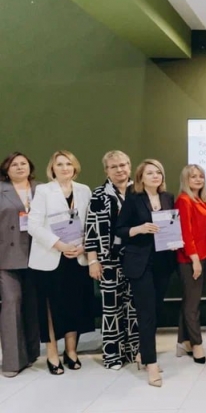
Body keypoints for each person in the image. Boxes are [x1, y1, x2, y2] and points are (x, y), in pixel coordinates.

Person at [28, 150, 94, 376]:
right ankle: (52, 353)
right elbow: (34, 225)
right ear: (52, 168)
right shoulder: (44, 191)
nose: (65, 168)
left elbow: (91, 224)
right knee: (50, 308)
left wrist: (83, 246)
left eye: (69, 164)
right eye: (60, 164)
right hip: (51, 258)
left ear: (75, 167)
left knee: (74, 304)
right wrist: (60, 245)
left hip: (78, 257)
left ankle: (71, 351)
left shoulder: (84, 190)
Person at [115, 159, 177, 387]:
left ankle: (143, 353)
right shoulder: (133, 199)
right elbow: (119, 229)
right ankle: (151, 363)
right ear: (141, 177)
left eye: (158, 172)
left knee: (156, 310)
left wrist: (174, 239)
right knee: (146, 313)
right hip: (140, 262)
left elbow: (172, 225)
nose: (155, 176)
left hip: (163, 261)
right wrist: (139, 229)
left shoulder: (168, 197)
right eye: (150, 173)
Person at [84, 150, 137, 370]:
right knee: (111, 309)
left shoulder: (140, 191)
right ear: (106, 171)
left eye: (123, 165)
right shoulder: (99, 195)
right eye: (114, 167)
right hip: (108, 261)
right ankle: (113, 355)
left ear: (130, 166)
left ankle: (134, 351)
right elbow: (91, 230)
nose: (120, 170)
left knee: (134, 307)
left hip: (136, 259)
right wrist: (93, 261)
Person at [0, 152, 40, 377]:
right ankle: (12, 362)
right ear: (6, 170)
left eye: (23, 163)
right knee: (11, 303)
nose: (19, 167)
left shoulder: (41, 189)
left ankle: (31, 354)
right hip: (6, 256)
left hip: (37, 254)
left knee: (32, 305)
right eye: (14, 164)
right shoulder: (1, 190)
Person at [175, 164, 206, 365]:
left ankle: (183, 342)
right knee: (193, 305)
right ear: (186, 180)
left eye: (201, 176)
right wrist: (194, 260)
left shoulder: (203, 200)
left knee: (190, 301)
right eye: (193, 177)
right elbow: (186, 232)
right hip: (191, 259)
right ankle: (197, 344)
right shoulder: (184, 200)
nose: (198, 179)